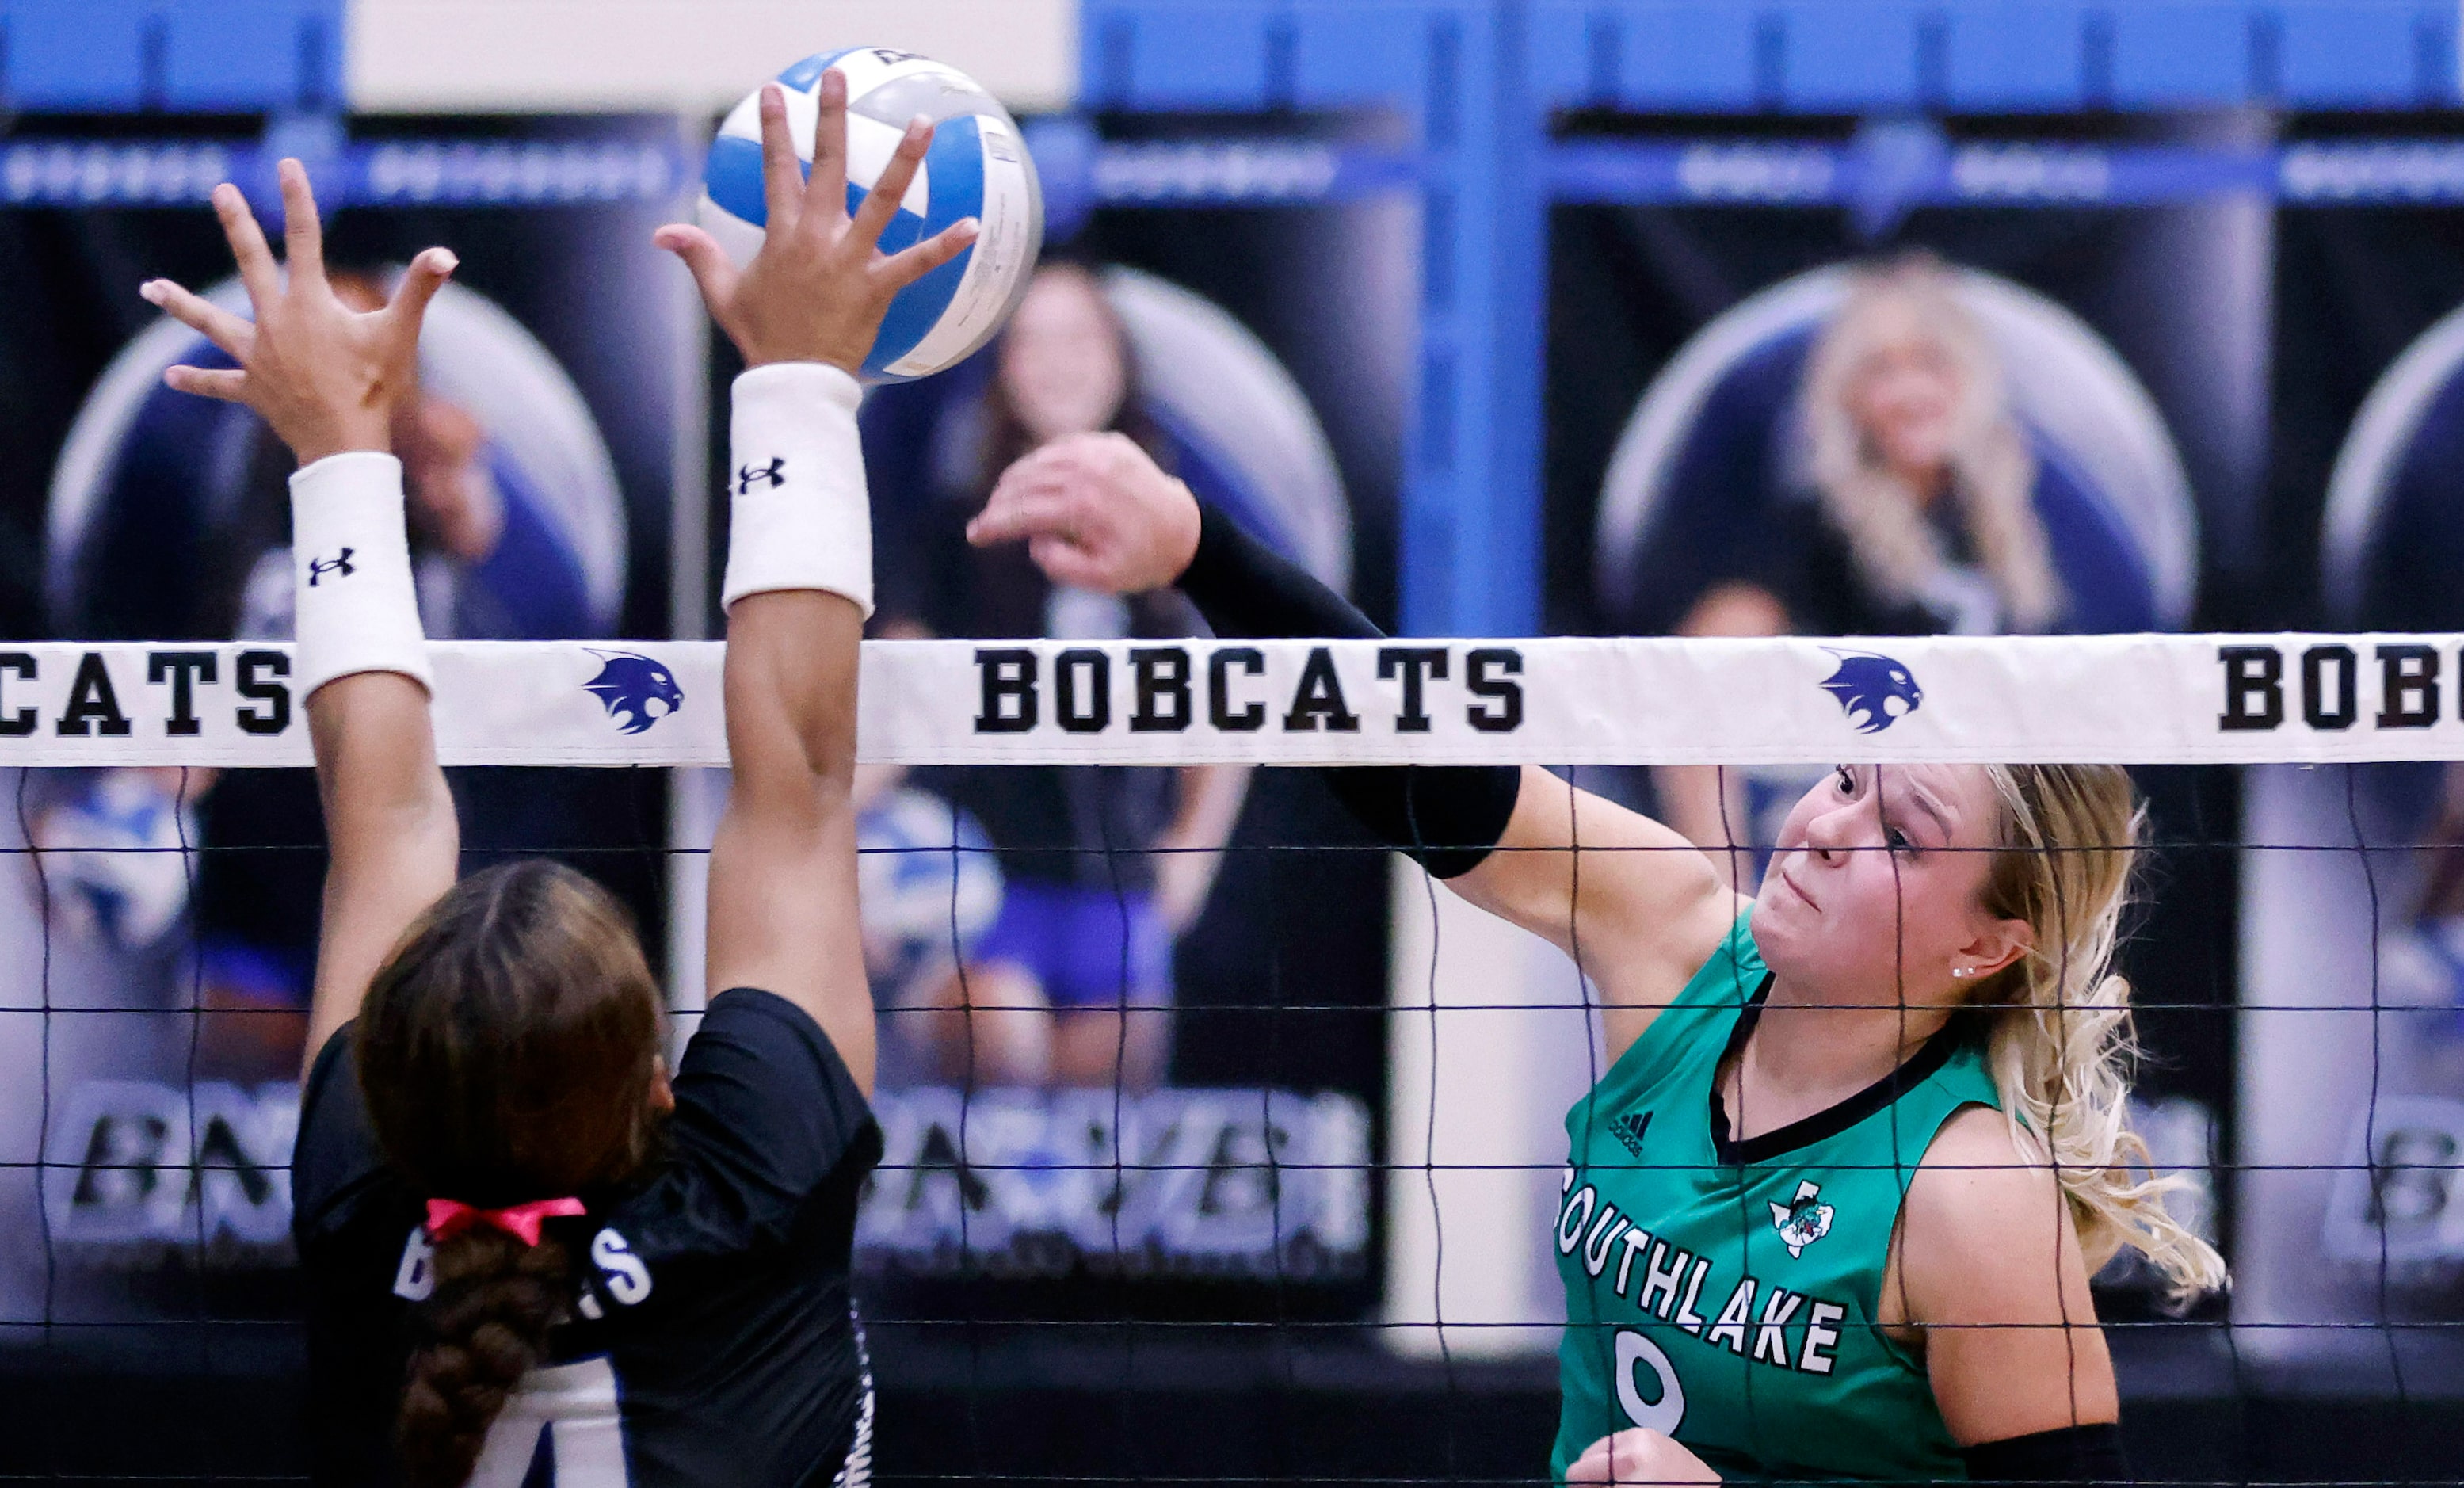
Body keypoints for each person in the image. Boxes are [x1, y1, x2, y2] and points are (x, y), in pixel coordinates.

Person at [966, 433, 2226, 1486]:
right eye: (1844, 778)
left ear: (1987, 940)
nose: (1826, 828)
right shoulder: (1682, 940)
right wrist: (1200, 550)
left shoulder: (1969, 1195)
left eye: (1900, 834)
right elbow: (1425, 770)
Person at [141, 71, 974, 1486]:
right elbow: (802, 770)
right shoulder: (726, 1192)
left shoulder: (373, 1226)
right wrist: (798, 378)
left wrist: (342, 455)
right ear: (661, 1085)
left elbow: (391, 813)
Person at [864, 261, 1246, 1090]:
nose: (1057, 362)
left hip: (1117, 899)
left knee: (1101, 1145)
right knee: (1000, 1060)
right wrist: (836, 858)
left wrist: (1189, 859)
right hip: (983, 893)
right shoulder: (955, 534)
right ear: (1004, 367)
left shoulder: (1175, 531)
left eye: (1078, 338)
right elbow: (890, 711)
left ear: (1118, 360)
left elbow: (1225, 717)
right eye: (1033, 340)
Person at [1662, 254, 2066, 883]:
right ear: (1847, 396)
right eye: (1881, 370)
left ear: (1972, 379)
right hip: (1842, 856)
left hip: (1952, 864)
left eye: (1931, 363)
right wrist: (1721, 883)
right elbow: (1695, 682)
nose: (1910, 392)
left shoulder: (2002, 527)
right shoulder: (1812, 525)